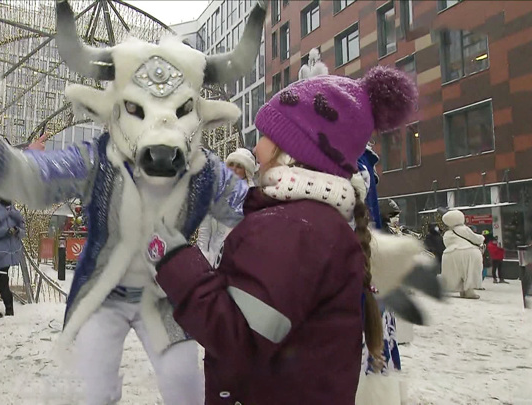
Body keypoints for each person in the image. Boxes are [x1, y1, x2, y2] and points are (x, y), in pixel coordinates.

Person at [148, 65, 418, 404]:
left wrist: (170, 254)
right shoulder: (311, 223)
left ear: (293, 151)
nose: (257, 150)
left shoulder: (294, 229)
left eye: (265, 136)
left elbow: (237, 337)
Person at [196, 148, 256, 265]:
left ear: (246, 171)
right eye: (231, 164)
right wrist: (202, 259)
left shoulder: (253, 198)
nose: (233, 169)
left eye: (239, 166)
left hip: (239, 262)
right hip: (212, 262)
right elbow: (204, 232)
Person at [441, 210, 485, 299]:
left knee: (457, 272)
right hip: (469, 251)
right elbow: (476, 239)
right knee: (469, 271)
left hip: (450, 254)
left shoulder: (447, 233)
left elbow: (446, 244)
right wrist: (482, 237)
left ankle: (461, 290)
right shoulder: (463, 229)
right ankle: (469, 291)